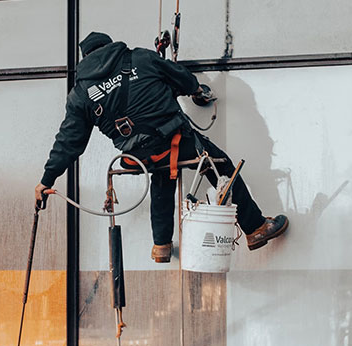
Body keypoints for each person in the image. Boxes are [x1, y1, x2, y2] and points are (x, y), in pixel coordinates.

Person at [35, 31, 288, 262]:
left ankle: (161, 245)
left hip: (137, 158)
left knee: (162, 175)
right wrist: (197, 90)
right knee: (220, 165)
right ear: (110, 47)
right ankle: (255, 228)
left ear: (86, 59)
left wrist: (46, 180)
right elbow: (181, 78)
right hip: (177, 141)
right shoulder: (140, 58)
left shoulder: (81, 94)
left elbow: (68, 142)